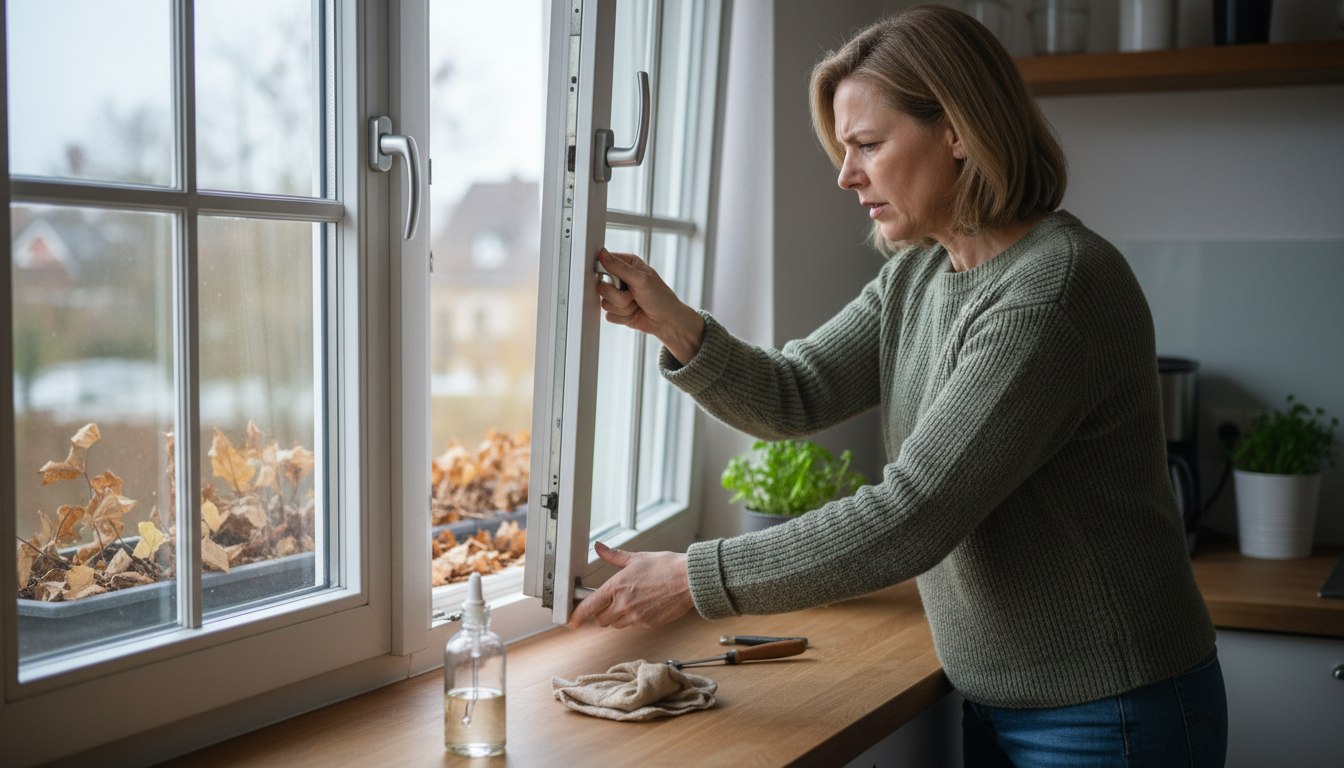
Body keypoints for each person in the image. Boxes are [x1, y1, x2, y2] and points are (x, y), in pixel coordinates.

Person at [569, 6, 1227, 766]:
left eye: (868, 145)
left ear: (956, 130)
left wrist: (696, 577)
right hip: (997, 694)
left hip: (1111, 709)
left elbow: (915, 512)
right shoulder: (921, 272)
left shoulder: (1051, 292)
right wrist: (674, 324)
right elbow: (797, 391)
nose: (846, 175)